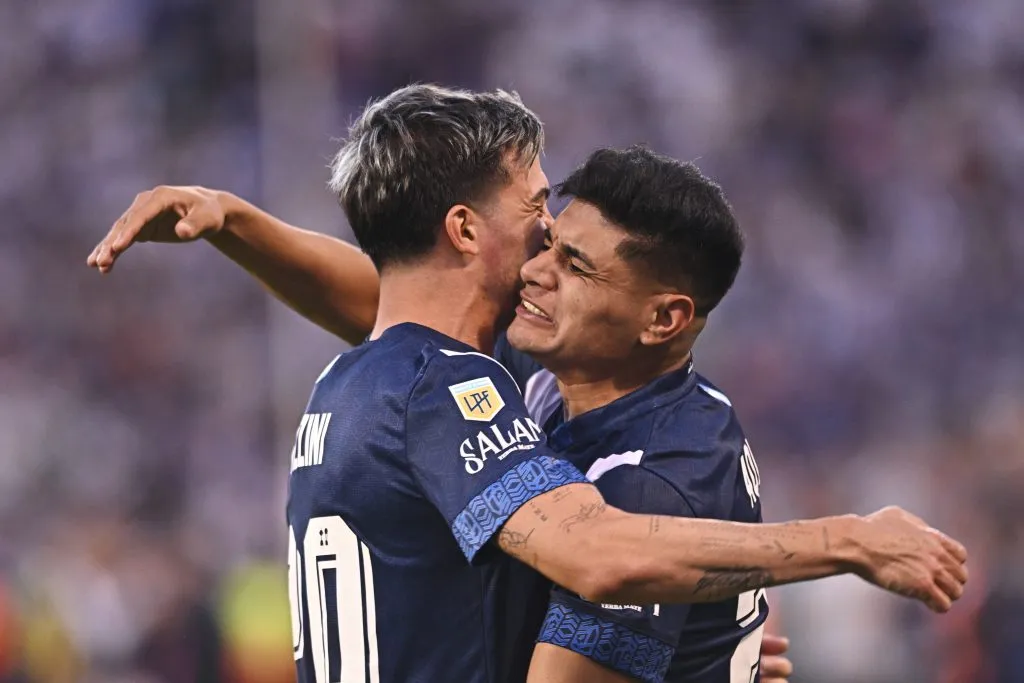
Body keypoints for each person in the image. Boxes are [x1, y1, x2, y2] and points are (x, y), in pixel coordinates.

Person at [88, 85, 967, 683]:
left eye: (570, 256)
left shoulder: (371, 376)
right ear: (466, 230)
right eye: (539, 216)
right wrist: (848, 541)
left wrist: (698, 641)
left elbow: (389, 295)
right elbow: (601, 555)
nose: (542, 250)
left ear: (662, 317)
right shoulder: (460, 389)